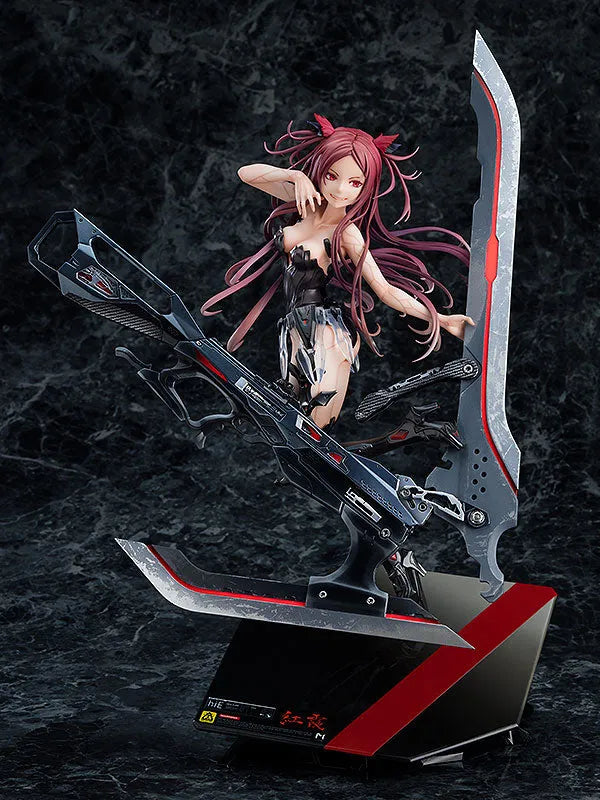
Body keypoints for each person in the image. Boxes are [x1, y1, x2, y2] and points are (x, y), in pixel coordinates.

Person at [201, 114, 473, 431]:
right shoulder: (306, 202)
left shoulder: (347, 235)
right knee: (290, 413)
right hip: (294, 325)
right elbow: (246, 173)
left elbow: (384, 290)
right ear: (320, 170)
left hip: (323, 329)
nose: (341, 189)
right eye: (332, 176)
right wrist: (295, 177)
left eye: (355, 183)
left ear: (366, 188)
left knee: (313, 417)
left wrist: (439, 319)